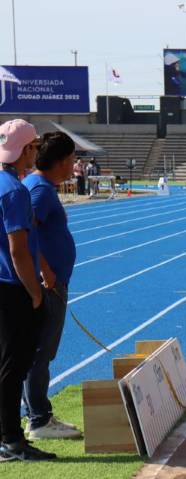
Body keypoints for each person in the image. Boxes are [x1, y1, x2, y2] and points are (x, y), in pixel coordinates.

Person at [0, 120, 55, 462]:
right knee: (14, 366)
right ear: (25, 150)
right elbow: (19, 250)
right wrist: (35, 292)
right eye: (34, 146)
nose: (37, 151)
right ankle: (11, 440)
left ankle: (7, 436)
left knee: (6, 363)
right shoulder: (15, 192)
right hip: (12, 289)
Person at [21, 132, 81, 440]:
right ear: (60, 161)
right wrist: (46, 272)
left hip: (52, 282)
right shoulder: (40, 191)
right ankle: (40, 420)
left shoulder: (41, 186)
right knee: (39, 352)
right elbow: (24, 232)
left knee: (40, 352)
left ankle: (37, 413)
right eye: (72, 158)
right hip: (48, 285)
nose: (75, 164)